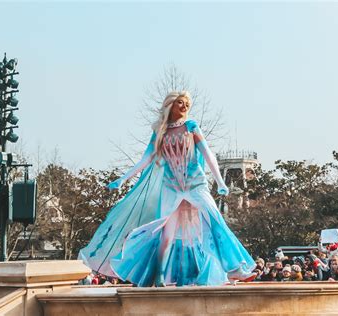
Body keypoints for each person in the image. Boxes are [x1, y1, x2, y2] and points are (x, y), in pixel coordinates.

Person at [79, 91, 256, 287]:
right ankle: (159, 276)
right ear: (170, 105)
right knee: (166, 233)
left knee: (215, 221)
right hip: (171, 187)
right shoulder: (160, 132)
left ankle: (233, 268)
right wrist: (123, 179)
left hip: (195, 183)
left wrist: (220, 182)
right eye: (180, 102)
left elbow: (208, 155)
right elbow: (146, 159)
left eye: (187, 103)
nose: (184, 107)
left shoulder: (191, 127)